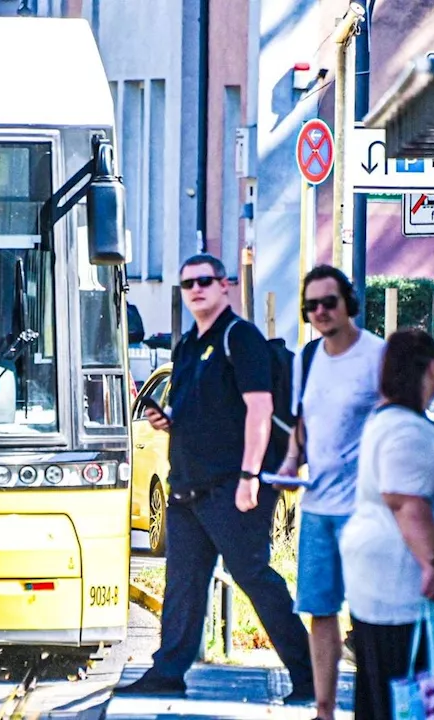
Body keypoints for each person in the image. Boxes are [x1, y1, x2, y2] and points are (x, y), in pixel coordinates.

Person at [115, 254, 314, 702]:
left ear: (224, 286)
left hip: (231, 486)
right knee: (183, 583)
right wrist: (166, 419)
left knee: (255, 577)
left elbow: (260, 409)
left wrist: (250, 476)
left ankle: (307, 676)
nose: (197, 290)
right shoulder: (187, 345)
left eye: (205, 281)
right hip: (186, 487)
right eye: (188, 284)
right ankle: (167, 672)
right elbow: (197, 410)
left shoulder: (239, 338)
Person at [338, 329, 434, 720]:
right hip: (411, 591)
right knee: (421, 699)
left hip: (388, 588)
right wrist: (432, 564)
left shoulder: (390, 421)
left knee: (390, 699)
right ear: (430, 370)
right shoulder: (406, 430)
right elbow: (406, 501)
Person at [276, 265, 384, 720]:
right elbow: (302, 423)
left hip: (365, 508)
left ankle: (372, 707)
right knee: (320, 611)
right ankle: (324, 710)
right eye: (311, 306)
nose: (319, 312)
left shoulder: (378, 355)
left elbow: (396, 420)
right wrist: (288, 462)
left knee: (369, 617)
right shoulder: (307, 357)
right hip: (317, 506)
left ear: (349, 303)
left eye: (328, 302)